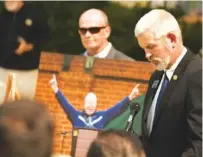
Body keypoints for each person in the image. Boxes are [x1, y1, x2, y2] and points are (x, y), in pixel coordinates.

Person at [134, 9, 202, 157]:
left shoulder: (198, 74)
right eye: (144, 49)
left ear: (172, 39)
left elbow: (199, 145)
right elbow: (151, 137)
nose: (147, 55)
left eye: (151, 46)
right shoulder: (157, 76)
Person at [0, 0, 51, 103]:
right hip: (3, 70)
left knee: (24, 108)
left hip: (27, 72)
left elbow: (46, 38)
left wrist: (29, 46)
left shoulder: (35, 14)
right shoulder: (3, 17)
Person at [49, 74, 139, 129]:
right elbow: (65, 105)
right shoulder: (76, 115)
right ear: (84, 104)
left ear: (96, 105)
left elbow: (118, 108)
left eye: (92, 103)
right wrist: (56, 89)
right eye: (88, 103)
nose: (90, 106)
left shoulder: (103, 116)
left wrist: (130, 97)